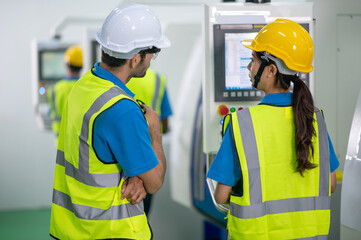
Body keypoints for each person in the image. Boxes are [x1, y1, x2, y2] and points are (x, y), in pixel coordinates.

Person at [207, 19, 339, 239]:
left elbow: (221, 196)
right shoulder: (316, 119)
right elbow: (331, 184)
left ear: (271, 70)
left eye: (252, 60)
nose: (249, 67)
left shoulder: (242, 124)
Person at [49, 3, 170, 240]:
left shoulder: (84, 85)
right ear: (136, 59)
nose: (151, 60)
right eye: (152, 54)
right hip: (111, 231)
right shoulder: (122, 110)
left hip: (73, 227)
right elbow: (155, 182)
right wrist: (155, 132)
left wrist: (136, 175)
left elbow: (100, 152)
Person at [126, 68, 173, 216]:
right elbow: (164, 126)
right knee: (143, 215)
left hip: (119, 157)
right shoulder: (158, 79)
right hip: (147, 156)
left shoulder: (114, 79)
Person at [47, 45, 83, 144]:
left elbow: (51, 113)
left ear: (67, 65)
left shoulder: (54, 89)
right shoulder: (86, 87)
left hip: (60, 143)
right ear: (82, 66)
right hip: (80, 144)